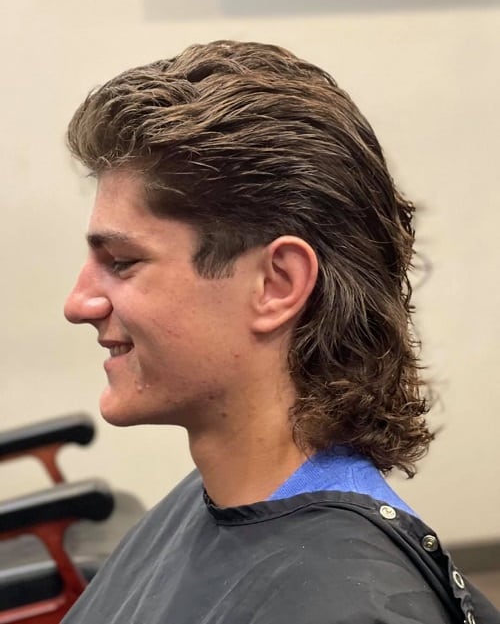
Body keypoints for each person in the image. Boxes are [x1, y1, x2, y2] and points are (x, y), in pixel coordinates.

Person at [62, 40, 498, 623]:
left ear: (276, 284)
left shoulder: (349, 605)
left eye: (122, 263)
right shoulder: (214, 501)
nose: (77, 303)